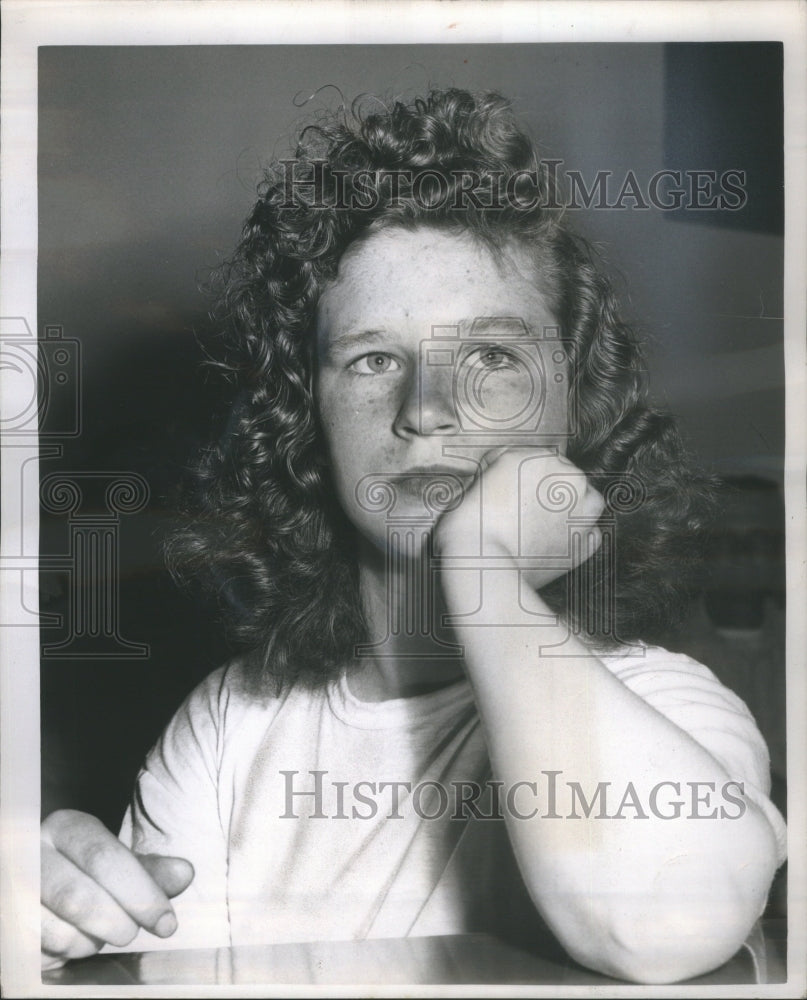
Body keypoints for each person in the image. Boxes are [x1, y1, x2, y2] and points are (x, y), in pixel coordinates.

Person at [40, 89, 786, 984]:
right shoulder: (231, 724)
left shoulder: (665, 705)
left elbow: (662, 933)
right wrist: (63, 919)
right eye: (372, 358)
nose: (426, 410)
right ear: (305, 420)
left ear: (574, 415)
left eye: (492, 358)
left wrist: (481, 569)